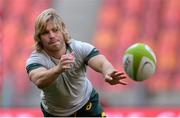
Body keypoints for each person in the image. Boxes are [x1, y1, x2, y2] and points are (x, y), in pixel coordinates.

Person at [26, 8, 127, 117]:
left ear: (62, 30)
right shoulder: (36, 59)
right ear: (39, 38)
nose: (51, 35)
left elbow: (101, 62)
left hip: (87, 105)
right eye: (46, 32)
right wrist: (58, 69)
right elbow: (39, 80)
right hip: (55, 113)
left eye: (55, 30)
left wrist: (109, 71)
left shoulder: (79, 48)